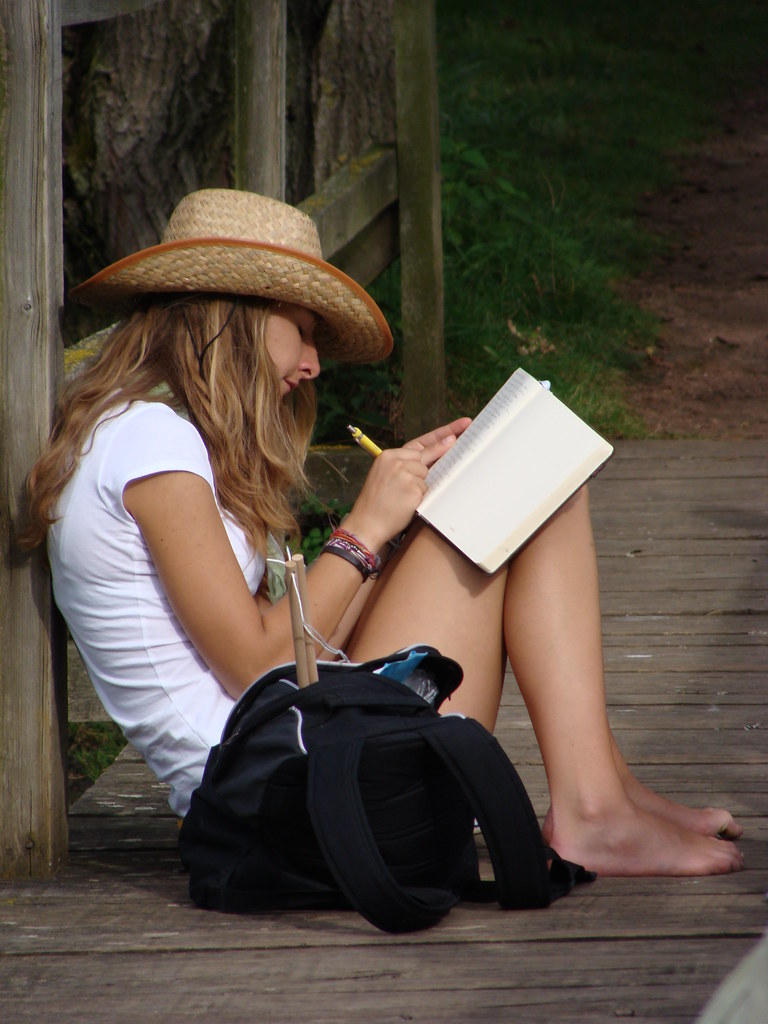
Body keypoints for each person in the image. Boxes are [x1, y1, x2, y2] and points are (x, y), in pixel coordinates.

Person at [22, 188, 743, 878]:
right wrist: (367, 525)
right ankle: (593, 809)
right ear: (233, 314)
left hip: (305, 771)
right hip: (300, 803)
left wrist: (396, 533)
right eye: (300, 331)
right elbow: (255, 667)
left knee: (535, 477)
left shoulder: (137, 434)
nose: (310, 365)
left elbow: (296, 654)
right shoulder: (149, 443)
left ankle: (604, 785)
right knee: (533, 480)